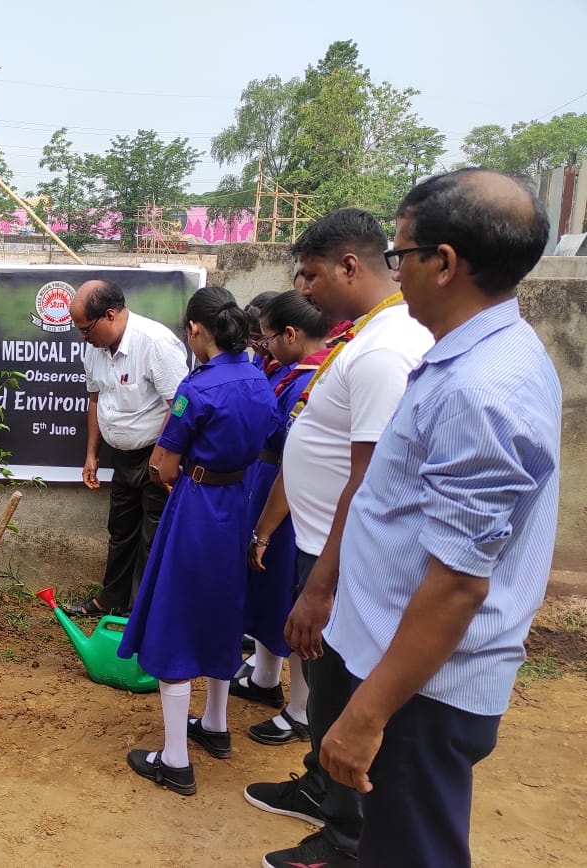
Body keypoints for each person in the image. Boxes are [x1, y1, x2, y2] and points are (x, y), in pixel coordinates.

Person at [320, 169, 559, 867]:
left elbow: (458, 583)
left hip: (423, 693)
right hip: (405, 673)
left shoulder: (482, 390)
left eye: (401, 255)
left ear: (445, 263)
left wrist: (366, 716)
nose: (395, 273)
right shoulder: (471, 358)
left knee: (412, 852)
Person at [242, 209, 433, 868]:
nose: (306, 289)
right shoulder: (367, 336)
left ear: (351, 265)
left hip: (342, 560)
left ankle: (344, 845)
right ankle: (322, 789)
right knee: (325, 690)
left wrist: (321, 584)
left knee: (344, 694)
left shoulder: (385, 350)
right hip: (321, 544)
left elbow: (372, 479)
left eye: (312, 273)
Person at [117, 285, 278, 795]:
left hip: (197, 507)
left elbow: (161, 465)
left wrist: (179, 469)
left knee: (176, 617)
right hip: (241, 505)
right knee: (223, 610)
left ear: (195, 330)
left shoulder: (197, 388)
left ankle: (175, 759)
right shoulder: (260, 378)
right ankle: (215, 725)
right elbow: (274, 446)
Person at [62, 279, 188, 618]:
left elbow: (180, 405)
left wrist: (162, 456)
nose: (82, 337)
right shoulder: (94, 348)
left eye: (86, 329)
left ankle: (142, 614)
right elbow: (95, 399)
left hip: (157, 456)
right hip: (123, 457)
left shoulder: (156, 343)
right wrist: (92, 454)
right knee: (120, 530)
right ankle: (111, 599)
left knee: (153, 536)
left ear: (110, 314)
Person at [239, 290, 330, 745]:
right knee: (270, 596)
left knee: (294, 607)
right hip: (273, 489)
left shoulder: (315, 381)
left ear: (291, 334)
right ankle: (265, 681)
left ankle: (302, 710)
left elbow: (291, 449)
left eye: (269, 338)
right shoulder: (290, 374)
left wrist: (264, 529)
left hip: (293, 505)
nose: (264, 346)